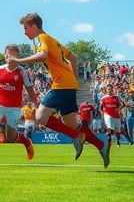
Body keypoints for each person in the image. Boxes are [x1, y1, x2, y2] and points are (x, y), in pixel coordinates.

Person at [9, 13, 109, 167]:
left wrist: (18, 61)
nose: (24, 32)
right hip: (68, 84)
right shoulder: (51, 39)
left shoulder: (40, 38)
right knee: (72, 124)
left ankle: (75, 137)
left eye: (26, 28)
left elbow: (43, 55)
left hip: (61, 84)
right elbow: (73, 57)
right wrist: (74, 79)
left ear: (34, 27)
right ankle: (101, 145)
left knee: (40, 117)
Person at [0, 44, 37, 164]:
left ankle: (27, 142)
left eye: (11, 53)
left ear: (18, 56)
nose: (8, 56)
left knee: (11, 137)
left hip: (14, 107)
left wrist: (34, 104)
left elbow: (30, 89)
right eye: (6, 53)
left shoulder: (22, 72)